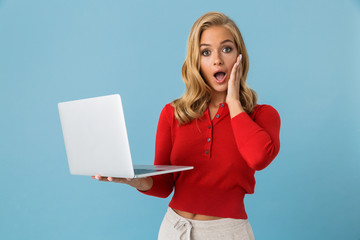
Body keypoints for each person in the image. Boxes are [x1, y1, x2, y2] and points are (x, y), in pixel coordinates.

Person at [93, 12, 281, 240]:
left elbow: (258, 158)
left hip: (226, 233)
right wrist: (131, 179)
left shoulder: (262, 115)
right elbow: (163, 186)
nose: (217, 60)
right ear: (196, 61)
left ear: (240, 57)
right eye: (206, 52)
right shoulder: (173, 113)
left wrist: (233, 102)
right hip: (174, 229)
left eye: (226, 49)